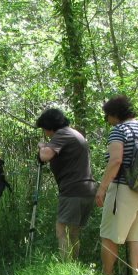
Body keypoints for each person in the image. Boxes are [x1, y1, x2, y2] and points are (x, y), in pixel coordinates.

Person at [95, 95, 138, 275]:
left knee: (110, 235)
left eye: (107, 116)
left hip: (122, 189)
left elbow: (115, 161)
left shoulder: (119, 130)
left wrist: (102, 188)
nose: (107, 121)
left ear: (114, 114)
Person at [36, 108, 96, 261]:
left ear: (50, 126)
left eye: (45, 129)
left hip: (73, 189)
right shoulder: (75, 133)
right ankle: (72, 265)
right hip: (85, 188)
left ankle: (66, 266)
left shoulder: (63, 134)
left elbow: (45, 156)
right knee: (73, 231)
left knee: (62, 229)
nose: (46, 133)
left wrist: (42, 146)